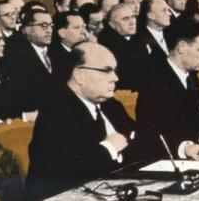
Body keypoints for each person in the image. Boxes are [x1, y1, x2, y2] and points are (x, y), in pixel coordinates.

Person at [25, 43, 136, 200]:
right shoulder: (56, 111)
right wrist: (109, 147)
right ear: (79, 75)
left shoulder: (110, 105)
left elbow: (138, 138)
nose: (115, 78)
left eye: (114, 71)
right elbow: (65, 170)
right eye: (106, 70)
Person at [135, 20, 199, 162]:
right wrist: (185, 147)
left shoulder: (190, 75)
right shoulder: (154, 80)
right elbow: (152, 133)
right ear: (181, 47)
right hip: (170, 161)